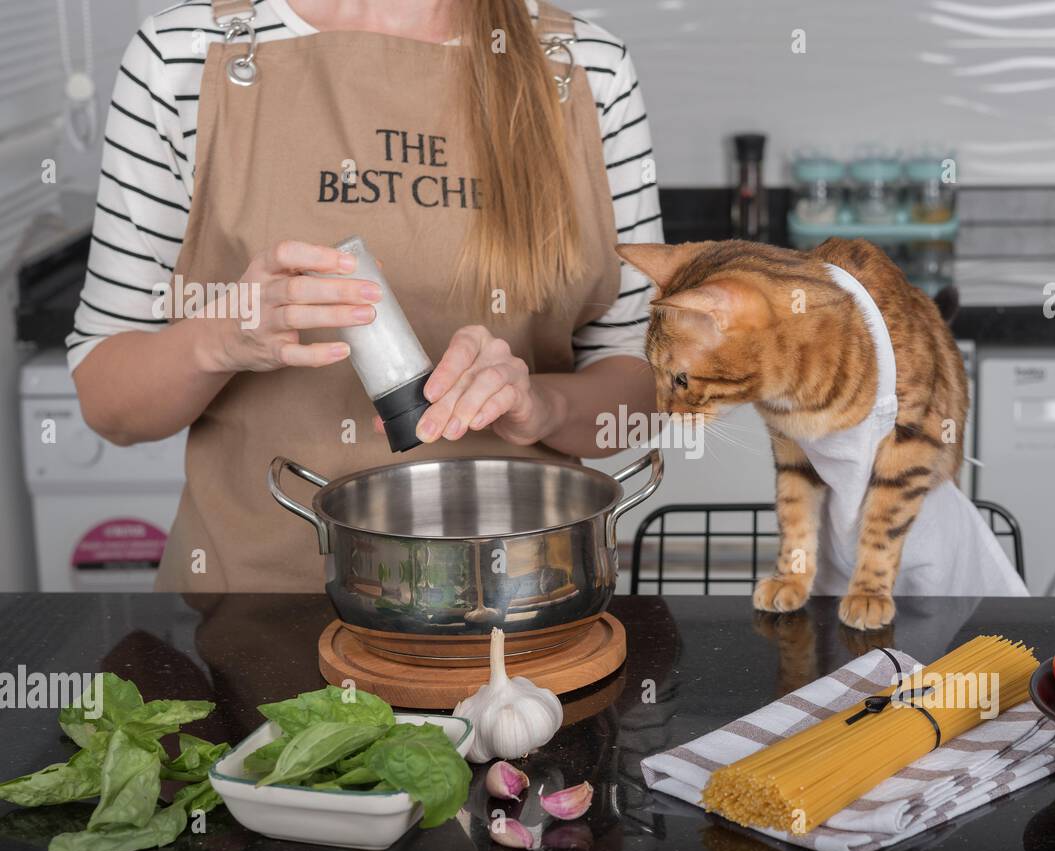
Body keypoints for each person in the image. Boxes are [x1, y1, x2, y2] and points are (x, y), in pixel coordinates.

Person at [68, 0, 661, 591]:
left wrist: (540, 404)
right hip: (251, 611)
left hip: (514, 601)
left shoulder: (584, 67)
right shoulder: (186, 53)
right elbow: (110, 404)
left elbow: (642, 396)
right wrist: (219, 340)